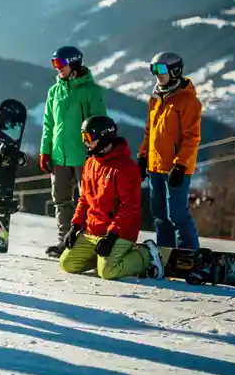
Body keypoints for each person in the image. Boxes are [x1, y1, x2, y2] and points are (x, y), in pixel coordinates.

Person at [59, 116, 165, 281]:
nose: (85, 142)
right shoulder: (90, 164)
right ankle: (102, 258)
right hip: (93, 230)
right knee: (67, 264)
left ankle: (146, 254)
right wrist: (75, 226)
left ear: (104, 137)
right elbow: (84, 200)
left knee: (108, 272)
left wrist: (111, 237)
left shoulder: (126, 168)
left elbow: (129, 208)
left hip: (119, 232)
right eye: (83, 137)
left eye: (89, 137)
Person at [39, 45, 109, 258]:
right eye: (54, 64)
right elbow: (48, 124)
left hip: (83, 157)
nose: (57, 68)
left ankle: (88, 245)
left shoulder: (92, 92)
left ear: (75, 64)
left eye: (61, 63)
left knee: (89, 202)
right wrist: (45, 151)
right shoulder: (54, 91)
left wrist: (97, 153)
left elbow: (100, 124)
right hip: (59, 156)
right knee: (61, 200)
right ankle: (65, 243)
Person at [138, 51, 202, 250]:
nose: (157, 74)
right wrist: (142, 157)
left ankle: (189, 254)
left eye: (161, 69)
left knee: (177, 215)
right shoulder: (155, 99)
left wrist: (181, 164)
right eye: (154, 69)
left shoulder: (188, 101)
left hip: (176, 169)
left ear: (175, 70)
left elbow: (192, 138)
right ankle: (166, 255)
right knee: (159, 215)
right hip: (155, 166)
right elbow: (150, 132)